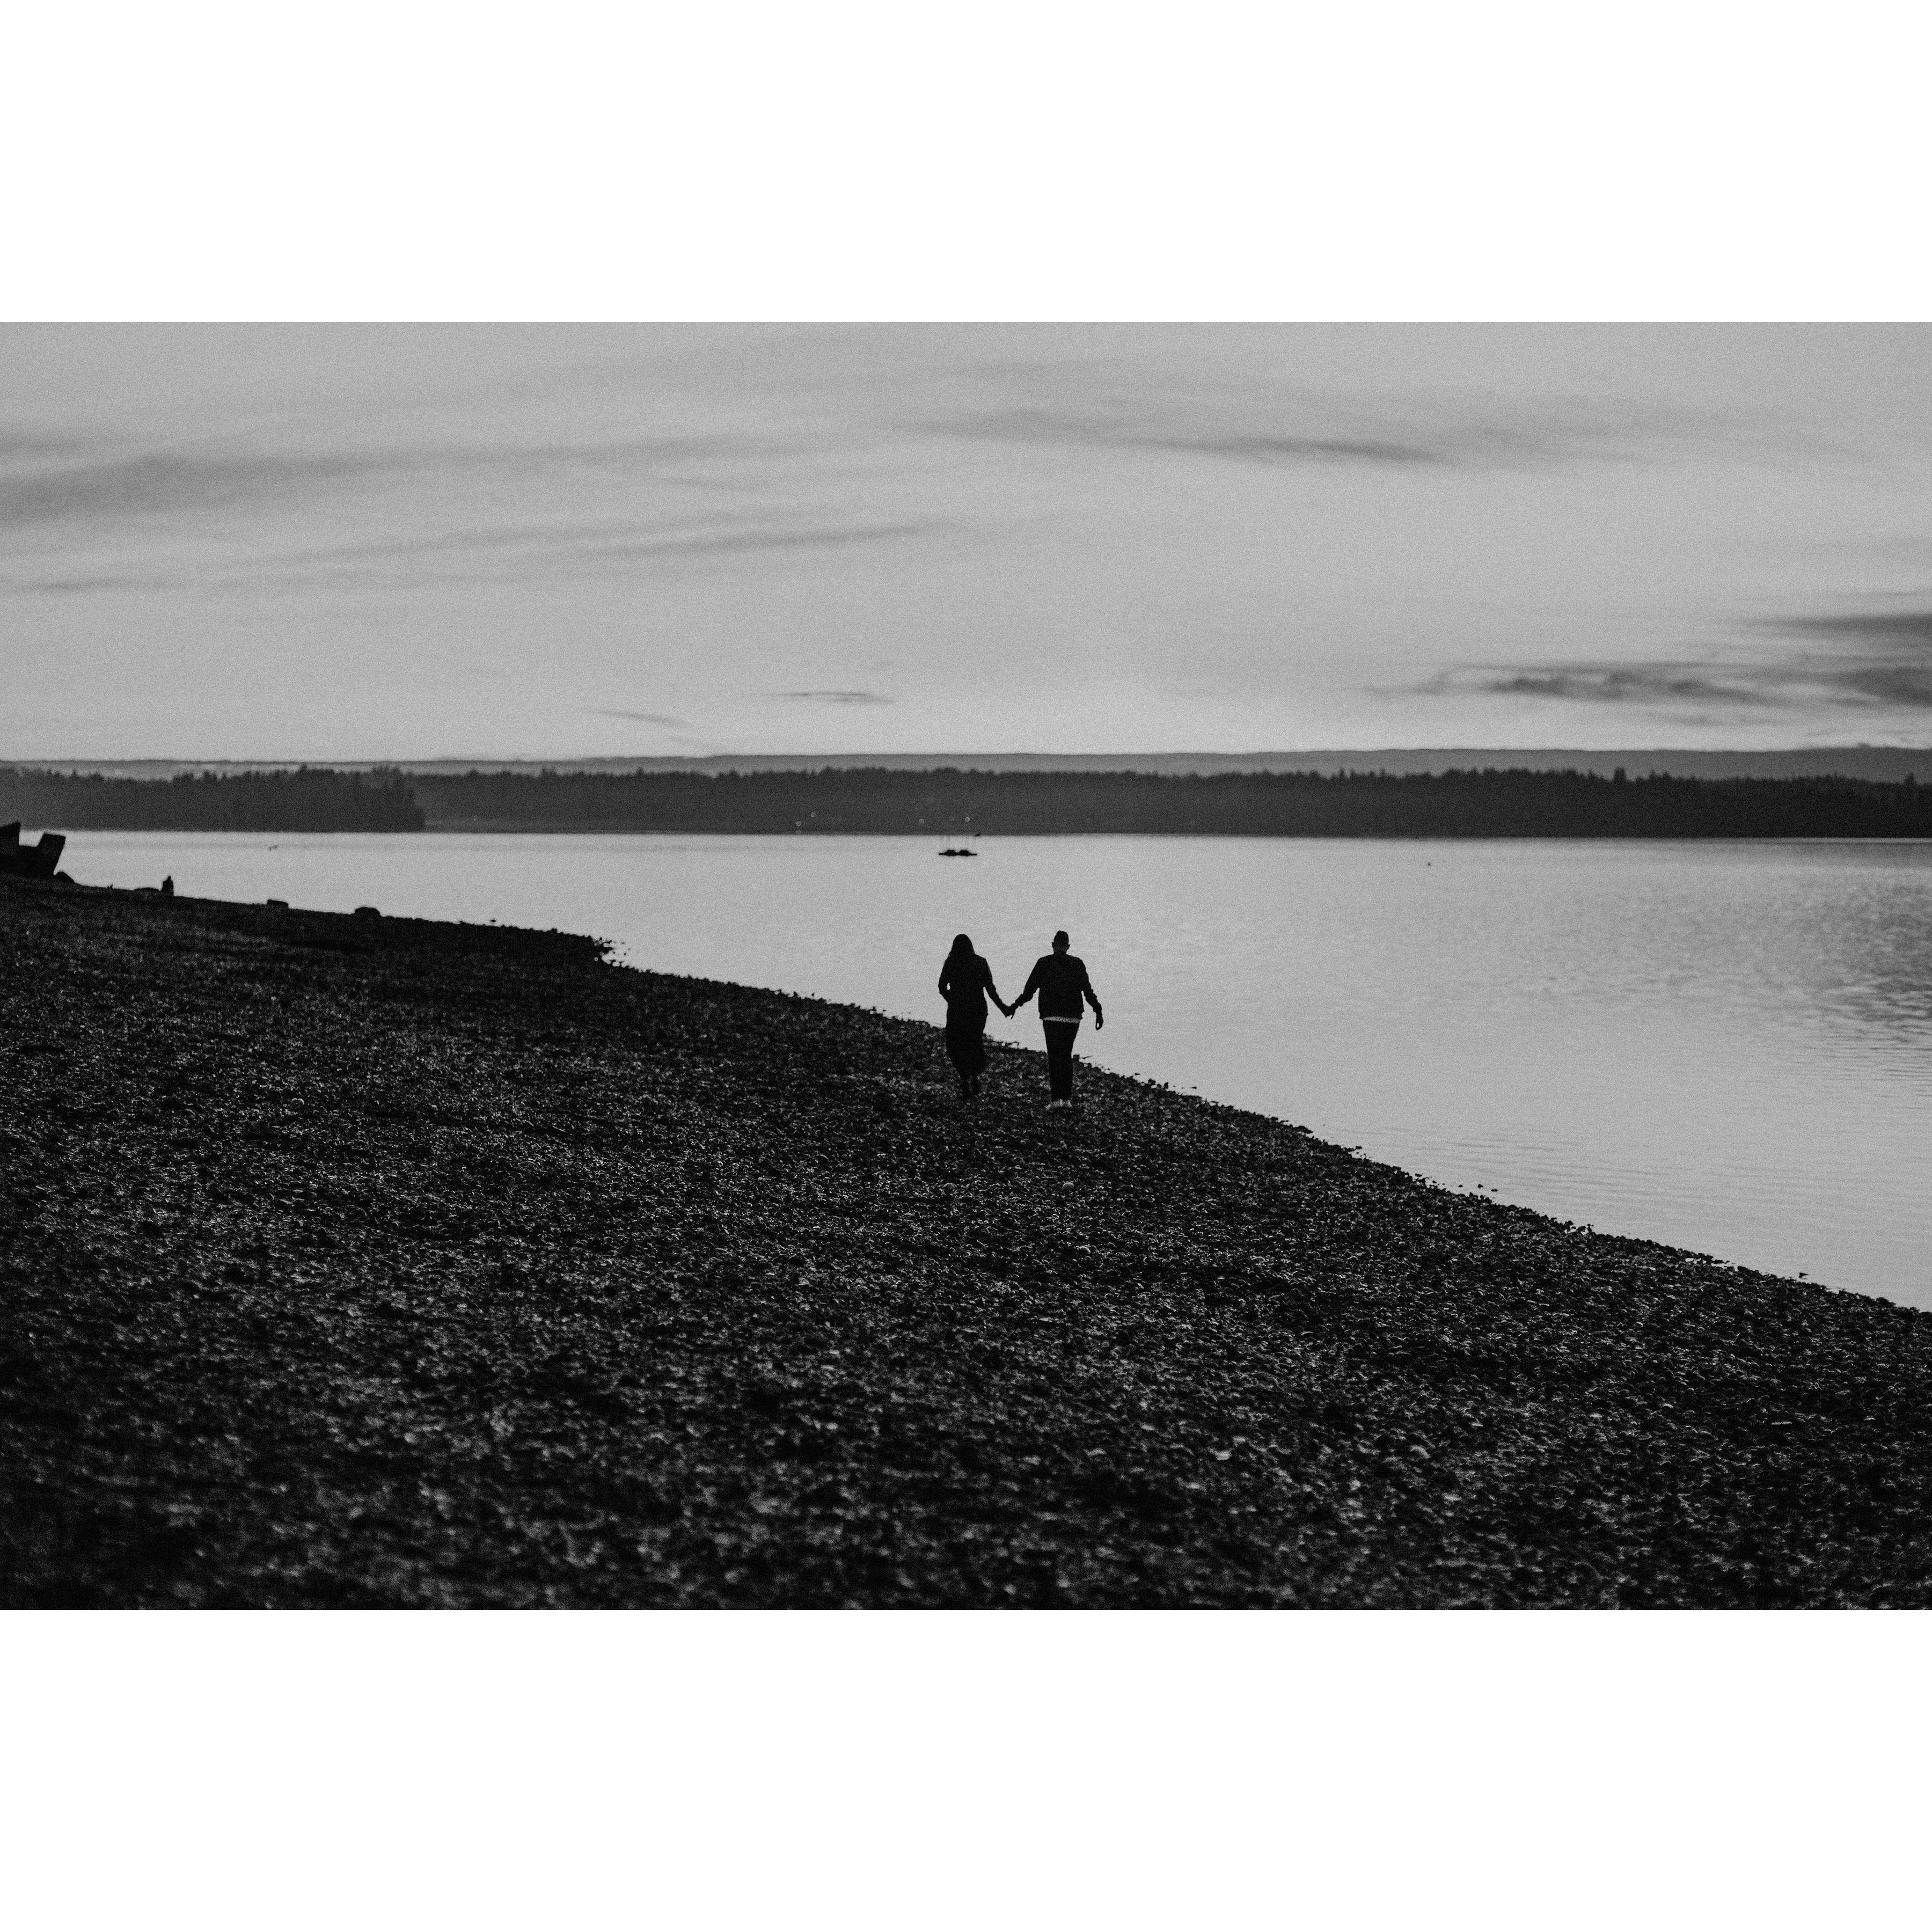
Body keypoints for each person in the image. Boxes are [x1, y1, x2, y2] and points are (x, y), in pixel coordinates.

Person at [1011, 930, 1103, 1111]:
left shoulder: (1043, 963)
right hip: (1073, 1017)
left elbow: (1029, 992)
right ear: (1068, 946)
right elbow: (1088, 991)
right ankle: (1066, 1100)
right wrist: (1098, 1010)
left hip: (1051, 1016)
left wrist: (1014, 1006)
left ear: (1053, 945)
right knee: (1066, 1056)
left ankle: (1056, 1100)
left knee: (1054, 1057)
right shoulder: (1078, 964)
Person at [937, 932, 1010, 1100]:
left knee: (956, 1045)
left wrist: (952, 1000)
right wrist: (1004, 1009)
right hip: (978, 1010)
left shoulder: (951, 962)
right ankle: (975, 1077)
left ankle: (964, 1078)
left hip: (957, 1010)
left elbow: (942, 986)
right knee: (974, 1042)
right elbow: (991, 990)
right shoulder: (981, 963)